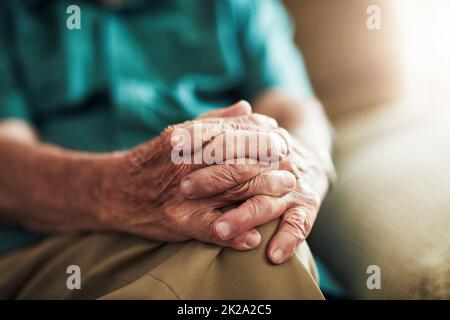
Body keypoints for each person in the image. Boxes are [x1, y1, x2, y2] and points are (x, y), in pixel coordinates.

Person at [0, 0, 334, 299]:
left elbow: (293, 106)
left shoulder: (238, 5)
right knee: (250, 248)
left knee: (251, 228)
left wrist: (304, 160)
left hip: (211, 223)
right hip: (58, 245)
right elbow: (7, 170)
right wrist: (127, 188)